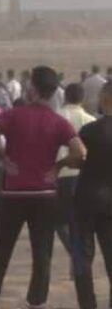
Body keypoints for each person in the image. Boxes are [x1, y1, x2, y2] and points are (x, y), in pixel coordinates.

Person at [0, 66, 86, 309]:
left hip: (14, 191)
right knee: (42, 251)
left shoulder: (14, 115)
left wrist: (4, 156)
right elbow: (80, 151)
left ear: (32, 88)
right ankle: (36, 306)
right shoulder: (58, 122)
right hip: (44, 193)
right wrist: (58, 166)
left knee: (2, 247)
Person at [72, 82, 112, 309]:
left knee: (83, 255)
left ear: (104, 99)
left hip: (86, 197)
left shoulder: (89, 130)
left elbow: (78, 159)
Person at [55, 83, 95, 278]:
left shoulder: (56, 117)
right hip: (84, 178)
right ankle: (78, 260)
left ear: (65, 97)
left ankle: (75, 255)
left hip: (61, 175)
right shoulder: (90, 120)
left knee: (59, 222)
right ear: (83, 98)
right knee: (81, 224)